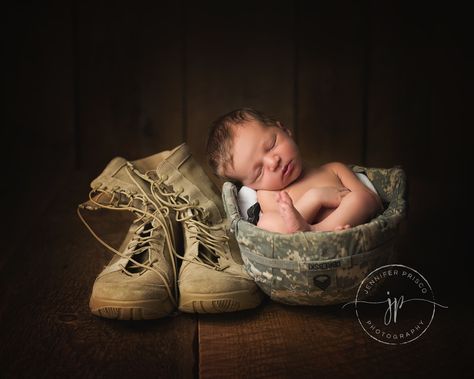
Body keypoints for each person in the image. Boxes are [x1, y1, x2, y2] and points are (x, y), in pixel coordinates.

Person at [206, 108, 383, 234]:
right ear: (249, 186)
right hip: (301, 250)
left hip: (349, 237)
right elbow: (283, 227)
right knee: (267, 223)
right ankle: (312, 232)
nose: (273, 162)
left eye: (271, 146)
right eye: (259, 172)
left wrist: (313, 228)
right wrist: (316, 198)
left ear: (284, 129)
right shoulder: (269, 195)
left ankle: (317, 231)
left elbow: (373, 203)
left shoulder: (334, 169)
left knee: (362, 198)